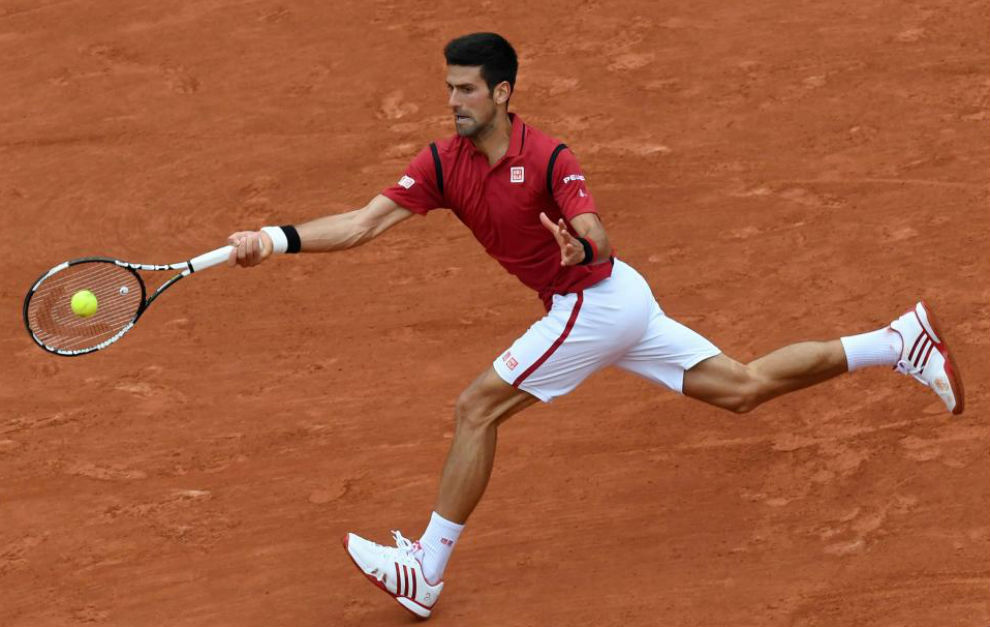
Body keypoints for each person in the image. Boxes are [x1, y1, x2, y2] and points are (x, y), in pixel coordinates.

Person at [225, 32, 965, 618]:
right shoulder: (442, 163)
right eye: (448, 87)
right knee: (740, 386)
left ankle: (426, 566)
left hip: (596, 300)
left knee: (477, 406)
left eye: (465, 88)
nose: (452, 100)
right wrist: (274, 237)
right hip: (616, 305)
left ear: (502, 92)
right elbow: (361, 224)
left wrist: (582, 242)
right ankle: (898, 340)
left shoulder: (549, 155)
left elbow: (593, 228)